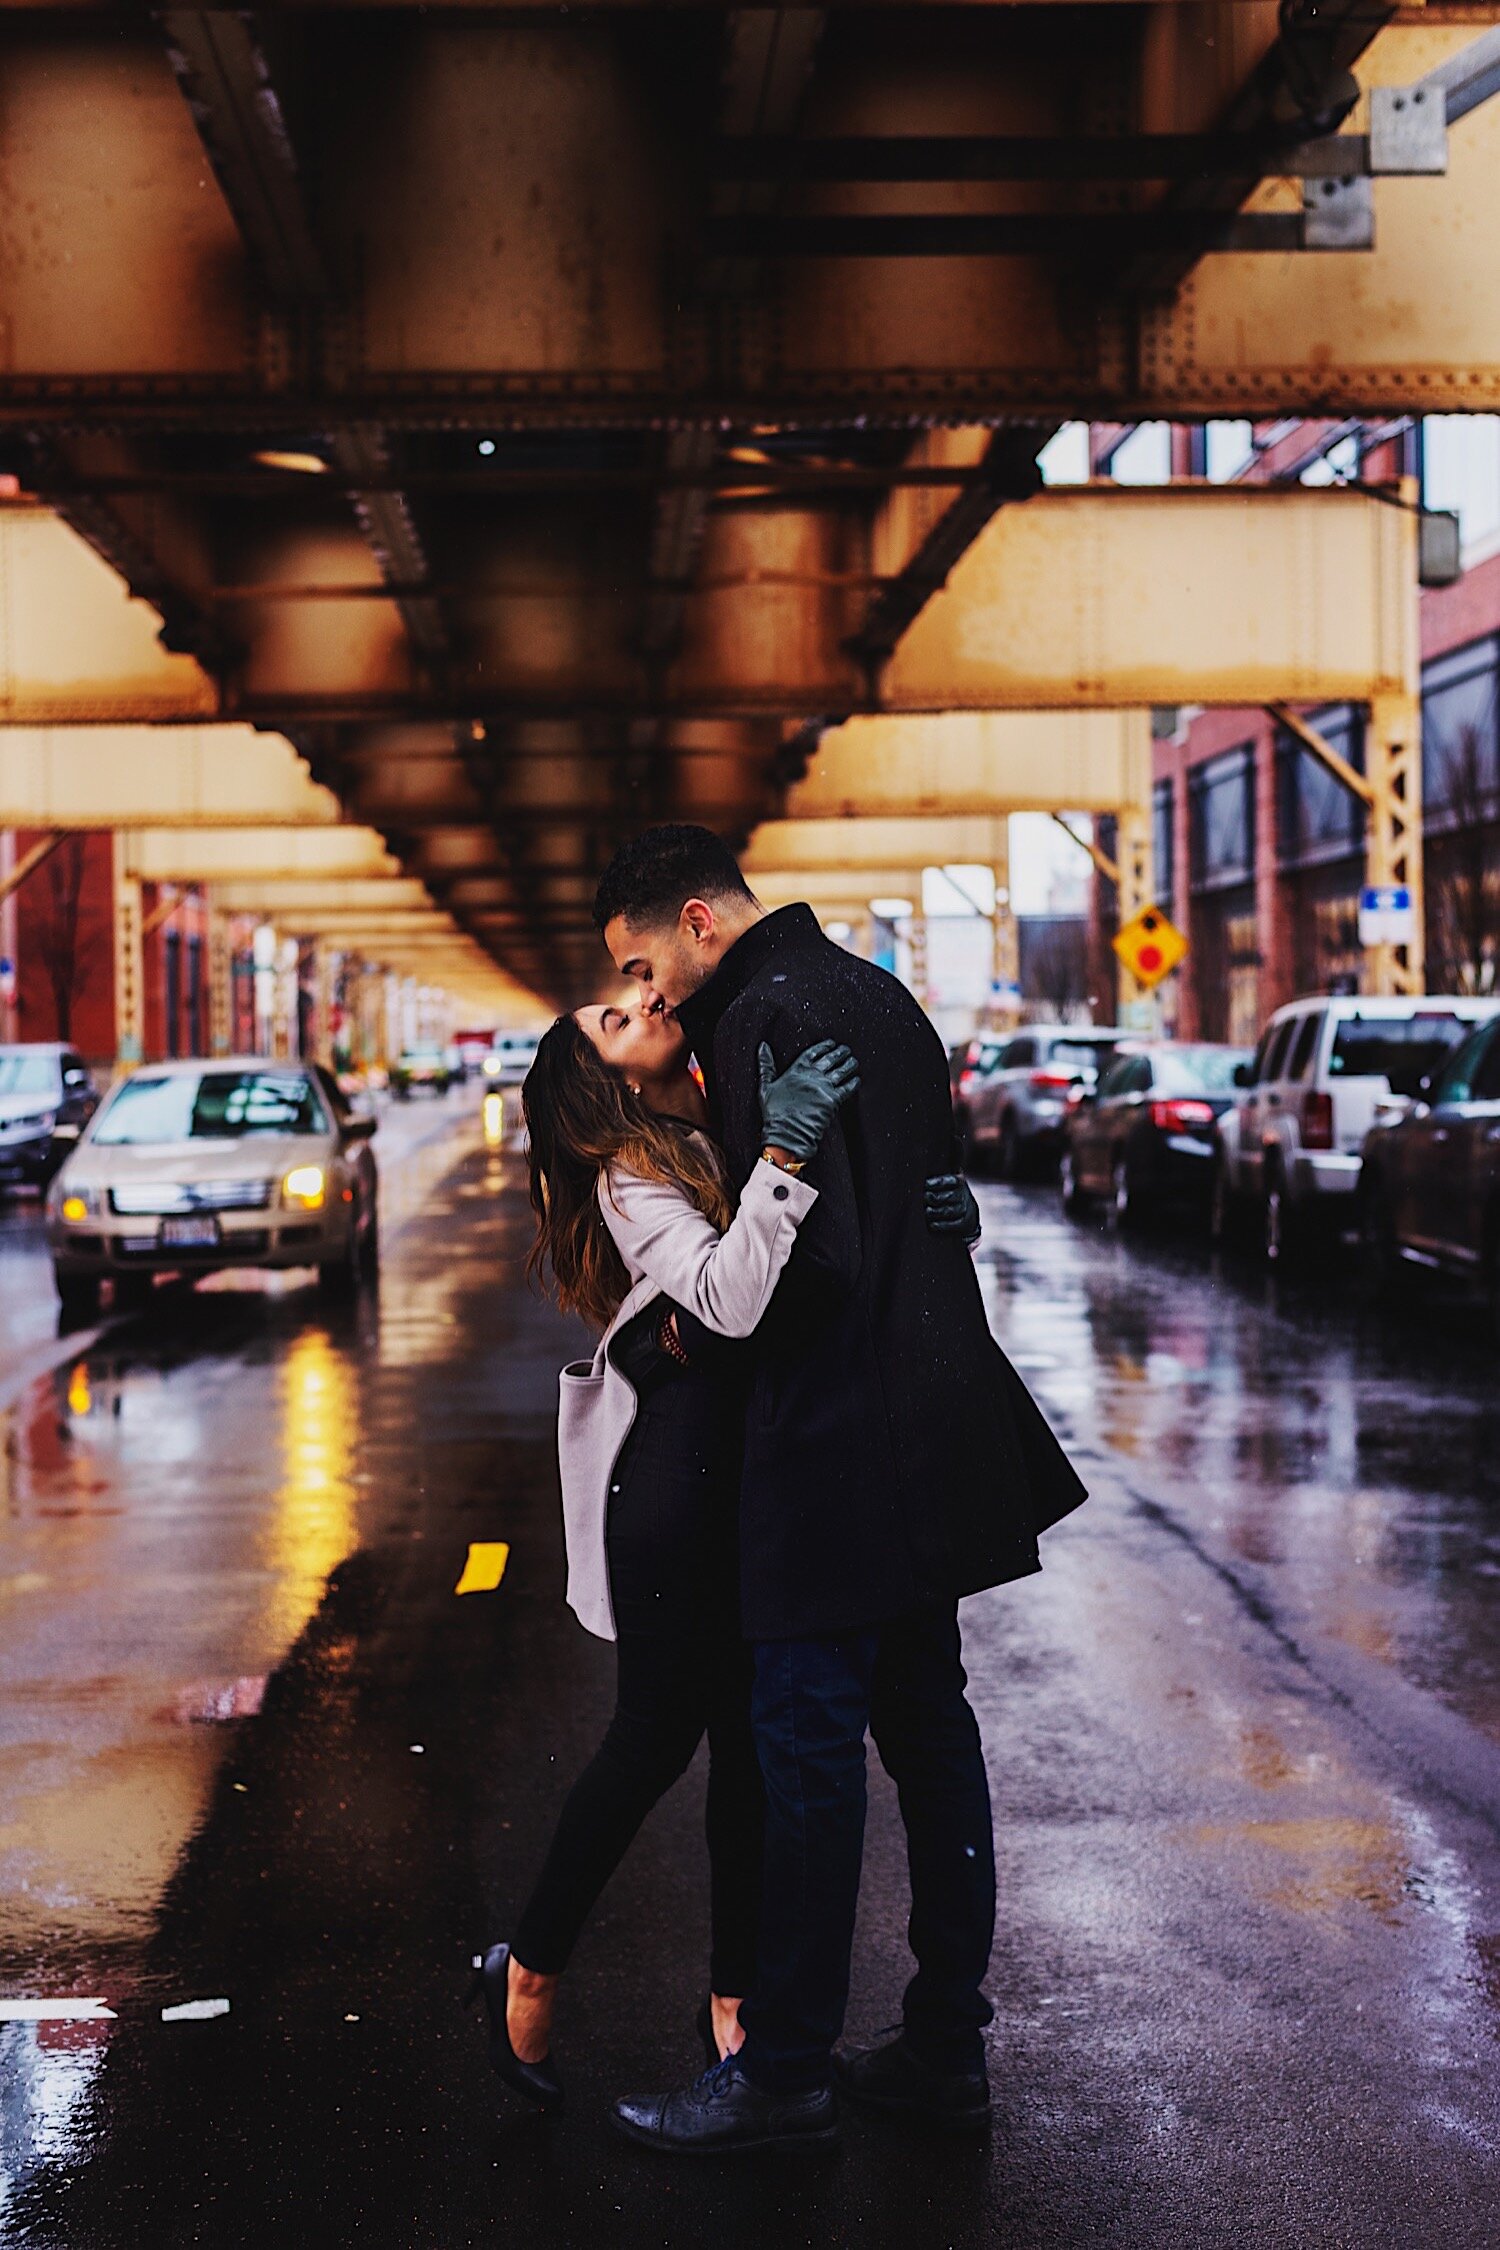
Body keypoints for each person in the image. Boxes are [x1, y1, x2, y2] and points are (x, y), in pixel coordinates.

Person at [592, 826, 1088, 2156]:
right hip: (934, 1418)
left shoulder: (760, 1011)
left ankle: (786, 2069)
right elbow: (938, 1190)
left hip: (827, 1446)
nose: (651, 996)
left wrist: (702, 1336)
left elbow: (809, 1257)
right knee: (932, 1729)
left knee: (805, 1753)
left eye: (647, 963)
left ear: (699, 920)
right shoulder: (881, 992)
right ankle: (944, 2044)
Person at [469, 996, 979, 2112]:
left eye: (640, 991)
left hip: (748, 1482)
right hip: (666, 1486)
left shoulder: (711, 1125)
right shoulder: (628, 1176)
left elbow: (821, 1247)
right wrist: (789, 1149)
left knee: (752, 1746)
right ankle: (533, 1962)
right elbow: (733, 1299)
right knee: (652, 1739)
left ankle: (736, 2010)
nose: (644, 1001)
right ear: (592, 1076)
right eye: (614, 1015)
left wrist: (936, 1213)